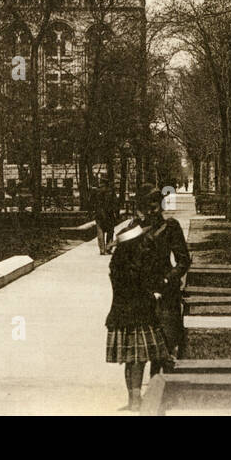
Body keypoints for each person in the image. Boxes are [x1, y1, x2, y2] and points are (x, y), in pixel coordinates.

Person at [105, 196, 170, 412]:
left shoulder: (116, 265)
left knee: (128, 359)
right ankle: (139, 398)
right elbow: (144, 287)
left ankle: (133, 399)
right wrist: (154, 295)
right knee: (140, 359)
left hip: (120, 315)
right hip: (141, 315)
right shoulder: (138, 263)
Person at [141, 185, 190, 373]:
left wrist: (169, 279)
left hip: (166, 291)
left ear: (161, 206)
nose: (151, 211)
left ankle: (165, 387)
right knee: (144, 347)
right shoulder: (136, 230)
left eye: (154, 206)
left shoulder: (171, 227)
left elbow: (183, 260)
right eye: (146, 207)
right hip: (143, 291)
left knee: (167, 344)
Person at [92, 177, 118, 256]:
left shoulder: (96, 192)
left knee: (100, 232)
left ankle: (102, 250)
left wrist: (93, 212)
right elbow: (115, 203)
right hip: (109, 214)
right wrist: (116, 213)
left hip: (99, 214)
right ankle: (108, 248)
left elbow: (91, 203)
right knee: (110, 231)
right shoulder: (111, 192)